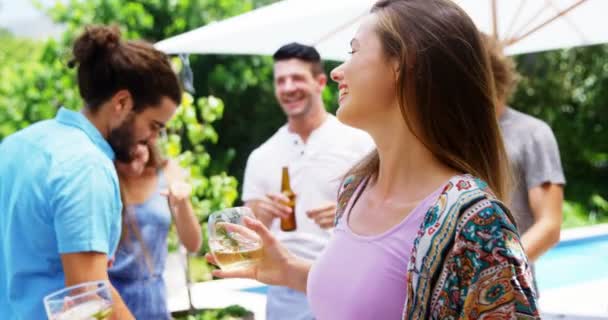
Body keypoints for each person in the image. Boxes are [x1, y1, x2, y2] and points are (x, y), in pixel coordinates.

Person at [209, 0, 539, 319]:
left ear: (402, 63)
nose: (337, 71)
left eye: (354, 51)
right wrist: (287, 269)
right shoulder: (355, 188)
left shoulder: (476, 223)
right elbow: (366, 299)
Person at [0, 25, 181, 319]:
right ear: (122, 103)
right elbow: (90, 302)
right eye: (154, 125)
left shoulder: (17, 144)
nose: (152, 139)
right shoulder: (88, 168)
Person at [241, 42, 374, 320]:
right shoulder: (261, 156)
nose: (288, 87)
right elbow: (247, 240)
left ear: (320, 82)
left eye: (297, 78)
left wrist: (347, 215)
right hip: (284, 296)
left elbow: (389, 215)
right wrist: (260, 216)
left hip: (346, 284)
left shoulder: (360, 142)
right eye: (281, 80)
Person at [484, 36, 565, 263]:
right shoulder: (451, 137)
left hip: (511, 289)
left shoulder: (533, 134)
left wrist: (496, 271)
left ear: (492, 74)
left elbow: (549, 226)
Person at [109, 142, 201, 319]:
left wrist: (182, 202)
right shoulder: (104, 177)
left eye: (138, 154)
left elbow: (193, 244)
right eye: (125, 159)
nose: (135, 166)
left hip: (155, 297)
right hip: (115, 297)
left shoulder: (165, 170)